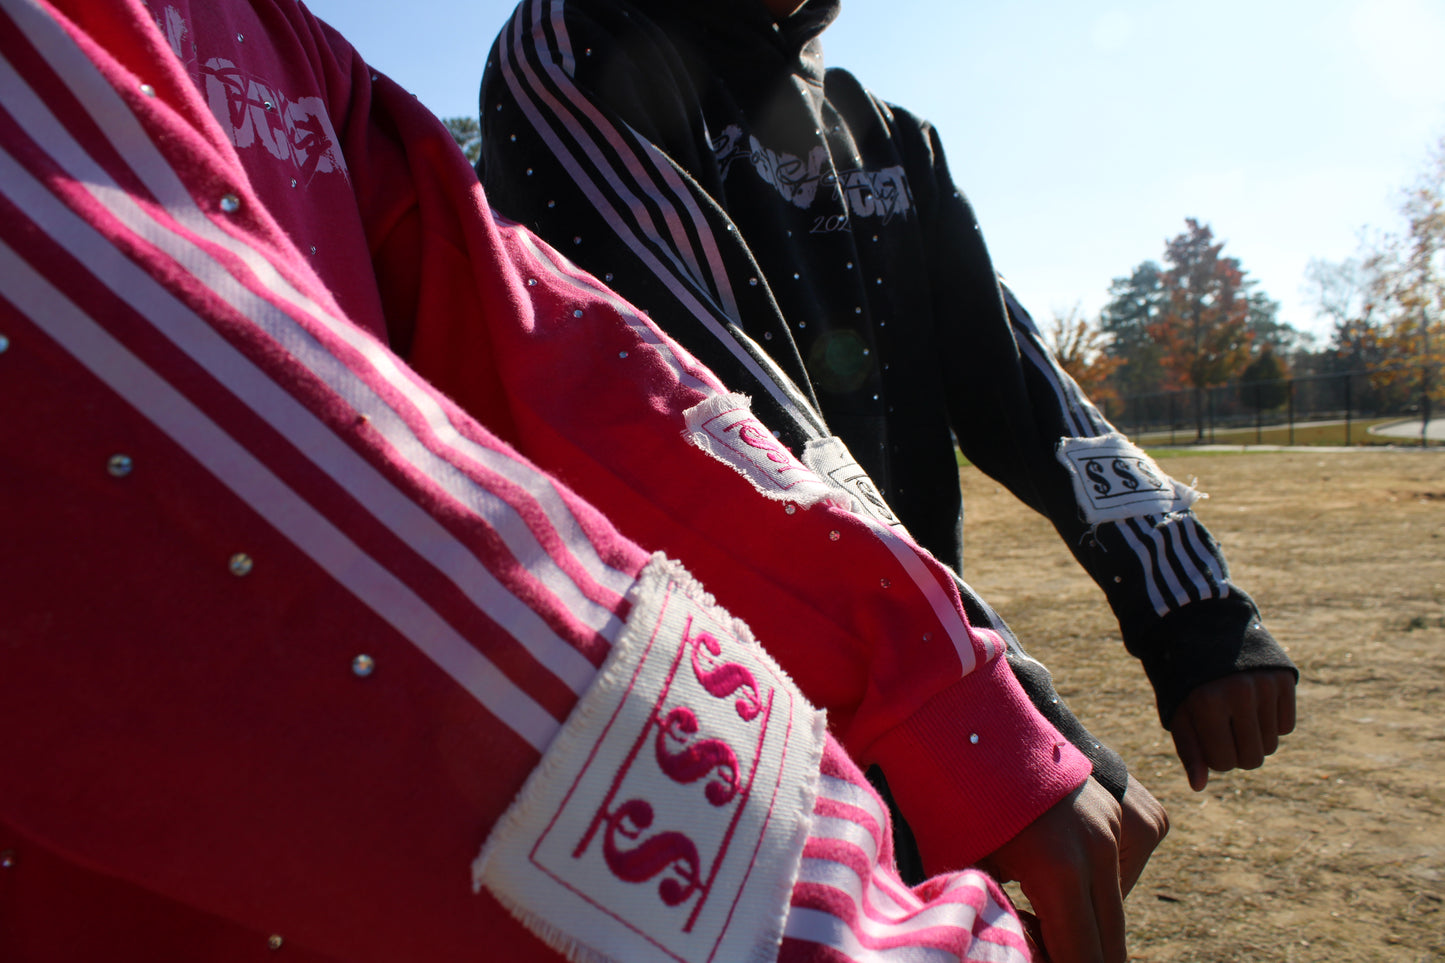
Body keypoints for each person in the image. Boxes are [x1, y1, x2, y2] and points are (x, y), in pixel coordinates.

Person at [0, 0, 1135, 959]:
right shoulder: (577, 45)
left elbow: (543, 348)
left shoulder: (279, 41)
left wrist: (943, 690)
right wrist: (853, 920)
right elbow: (221, 450)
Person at [475, 0, 1297, 800]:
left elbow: (1021, 385)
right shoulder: (576, 44)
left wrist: (1191, 607)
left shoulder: (890, 140)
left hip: (901, 702)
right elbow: (699, 395)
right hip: (689, 711)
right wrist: (981, 704)